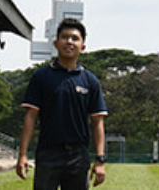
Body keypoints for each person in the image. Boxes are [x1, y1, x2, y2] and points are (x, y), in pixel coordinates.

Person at [16, 18, 108, 189]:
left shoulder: (90, 81)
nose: (69, 42)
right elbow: (30, 117)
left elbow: (97, 122)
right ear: (56, 43)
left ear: (83, 46)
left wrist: (100, 160)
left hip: (78, 155)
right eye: (65, 37)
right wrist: (22, 155)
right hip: (48, 153)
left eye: (75, 38)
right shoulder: (41, 77)